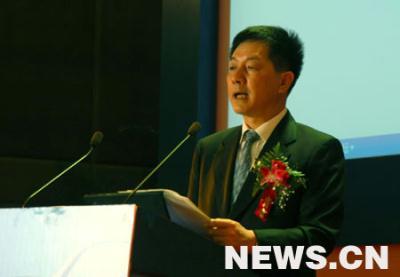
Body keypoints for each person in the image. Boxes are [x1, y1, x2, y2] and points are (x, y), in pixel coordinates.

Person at [188, 26, 345, 274]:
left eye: (250, 67)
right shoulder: (209, 148)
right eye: (232, 67)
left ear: (283, 81)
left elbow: (319, 238)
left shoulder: (317, 149)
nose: (236, 77)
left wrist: (253, 240)